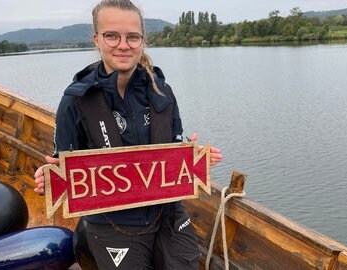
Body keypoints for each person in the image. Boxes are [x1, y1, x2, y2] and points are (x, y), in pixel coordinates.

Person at [33, 0, 223, 269]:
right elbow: (63, 165)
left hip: (168, 214)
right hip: (112, 223)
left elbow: (175, 143)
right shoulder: (76, 100)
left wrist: (194, 156)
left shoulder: (162, 92)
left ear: (142, 40)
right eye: (112, 35)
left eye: (132, 37)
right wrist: (49, 177)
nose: (123, 45)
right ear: (97, 39)